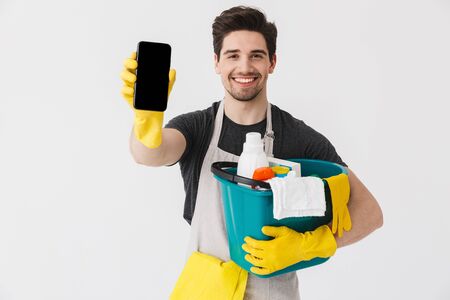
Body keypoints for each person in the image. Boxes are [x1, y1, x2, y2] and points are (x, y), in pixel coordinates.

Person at [120, 5, 383, 300]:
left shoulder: (298, 136)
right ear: (217, 62)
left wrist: (308, 245)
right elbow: (149, 154)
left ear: (272, 62)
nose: (244, 67)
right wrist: (146, 119)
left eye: (256, 55)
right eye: (233, 55)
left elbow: (370, 213)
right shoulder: (197, 127)